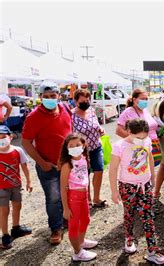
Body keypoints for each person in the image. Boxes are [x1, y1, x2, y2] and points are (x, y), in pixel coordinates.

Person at [109, 119, 164, 264]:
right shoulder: (119, 146)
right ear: (129, 132)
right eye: (138, 137)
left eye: (144, 137)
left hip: (145, 185)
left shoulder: (147, 141)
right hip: (127, 187)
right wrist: (114, 191)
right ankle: (129, 239)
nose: (142, 140)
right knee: (129, 214)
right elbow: (113, 169)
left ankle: (152, 250)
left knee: (148, 216)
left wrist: (152, 178)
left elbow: (150, 159)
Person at [22, 81, 72, 245]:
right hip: (48, 166)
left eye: (53, 96)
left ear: (59, 95)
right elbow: (26, 142)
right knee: (54, 198)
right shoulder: (34, 117)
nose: (50, 99)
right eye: (46, 97)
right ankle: (56, 228)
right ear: (40, 97)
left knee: (68, 193)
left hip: (66, 163)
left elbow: (69, 132)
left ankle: (67, 220)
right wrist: (42, 162)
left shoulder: (65, 108)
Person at [59, 133, 98, 262]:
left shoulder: (84, 158)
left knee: (86, 219)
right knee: (74, 225)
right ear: (66, 148)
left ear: (83, 145)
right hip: (73, 198)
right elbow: (63, 187)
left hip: (84, 196)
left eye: (77, 145)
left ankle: (81, 242)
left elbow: (86, 178)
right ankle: (77, 252)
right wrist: (65, 208)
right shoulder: (67, 165)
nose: (75, 147)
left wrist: (88, 197)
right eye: (71, 146)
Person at [72, 89, 106, 208]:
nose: (86, 103)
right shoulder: (72, 115)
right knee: (84, 174)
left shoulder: (91, 110)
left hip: (96, 146)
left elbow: (96, 124)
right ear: (75, 101)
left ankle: (96, 198)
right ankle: (88, 199)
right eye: (83, 101)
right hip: (81, 151)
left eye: (87, 100)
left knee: (99, 170)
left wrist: (100, 129)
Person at [0, 125, 32, 249]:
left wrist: (29, 181)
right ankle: (5, 235)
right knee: (4, 211)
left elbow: (24, 166)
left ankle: (16, 228)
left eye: (4, 137)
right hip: (1, 188)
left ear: (11, 136)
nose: (1, 140)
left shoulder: (17, 150)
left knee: (17, 206)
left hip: (15, 185)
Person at [116, 88, 161, 168]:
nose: (145, 101)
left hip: (152, 145)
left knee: (149, 170)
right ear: (134, 99)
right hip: (139, 148)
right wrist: (135, 140)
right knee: (141, 170)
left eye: (146, 99)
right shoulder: (128, 111)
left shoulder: (145, 110)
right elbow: (118, 130)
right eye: (142, 99)